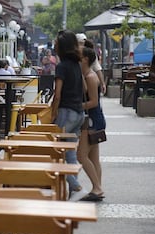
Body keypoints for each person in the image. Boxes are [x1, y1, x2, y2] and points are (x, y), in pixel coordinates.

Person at [51, 29, 86, 201]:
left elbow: (57, 94)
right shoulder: (76, 65)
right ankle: (74, 191)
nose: (54, 46)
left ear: (61, 48)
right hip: (79, 113)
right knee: (70, 154)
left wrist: (53, 114)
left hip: (66, 112)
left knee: (56, 153)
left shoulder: (62, 66)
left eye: (56, 44)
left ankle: (76, 186)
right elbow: (84, 88)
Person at [77, 46, 106, 201]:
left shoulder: (90, 76)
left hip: (92, 120)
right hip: (96, 119)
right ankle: (98, 188)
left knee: (81, 155)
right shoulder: (87, 75)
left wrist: (77, 106)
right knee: (93, 157)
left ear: (86, 59)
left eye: (79, 55)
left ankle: (97, 188)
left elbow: (93, 102)